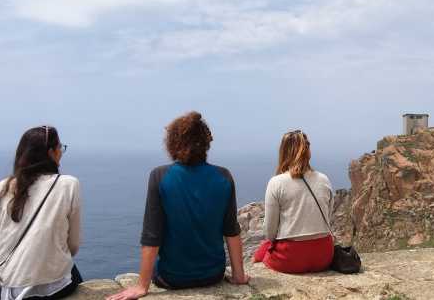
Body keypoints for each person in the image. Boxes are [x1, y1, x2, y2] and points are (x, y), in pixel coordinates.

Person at [107, 112, 249, 300]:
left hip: (171, 278)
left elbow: (152, 235)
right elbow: (231, 230)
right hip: (212, 275)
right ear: (206, 144)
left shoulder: (159, 177)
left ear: (173, 143)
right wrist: (238, 276)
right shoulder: (224, 177)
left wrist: (142, 286)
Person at [0, 126, 82, 300]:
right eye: (60, 148)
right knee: (73, 273)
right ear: (51, 153)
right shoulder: (69, 184)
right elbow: (74, 244)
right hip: (53, 286)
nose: (61, 152)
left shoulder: (2, 187)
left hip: (8, 287)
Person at [253, 130, 334, 273]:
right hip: (324, 255)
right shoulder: (324, 179)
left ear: (283, 152)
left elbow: (270, 233)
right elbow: (328, 218)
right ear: (308, 152)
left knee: (260, 253)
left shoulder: (276, 182)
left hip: (290, 257)